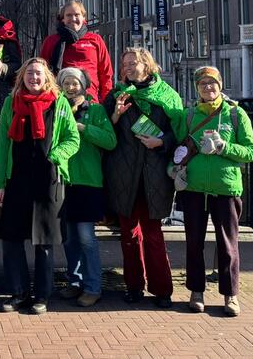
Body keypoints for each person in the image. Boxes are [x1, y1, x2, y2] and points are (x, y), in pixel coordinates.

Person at [0, 58, 80, 315]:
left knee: (43, 241)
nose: (34, 78)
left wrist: (55, 156)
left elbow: (72, 138)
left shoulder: (58, 102)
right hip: (17, 178)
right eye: (29, 73)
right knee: (11, 239)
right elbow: (2, 146)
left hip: (48, 179)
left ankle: (42, 296)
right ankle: (19, 292)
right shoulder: (12, 102)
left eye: (38, 74)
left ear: (47, 78)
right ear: (22, 77)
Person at [102, 47, 185, 309]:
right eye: (124, 63)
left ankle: (162, 289)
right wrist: (115, 113)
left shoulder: (167, 96)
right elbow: (102, 130)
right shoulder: (117, 95)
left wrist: (160, 142)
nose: (126, 67)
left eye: (132, 63)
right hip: (124, 173)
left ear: (147, 65)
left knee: (152, 233)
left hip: (154, 175)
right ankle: (134, 286)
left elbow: (180, 133)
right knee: (129, 234)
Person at [177, 66, 253, 317]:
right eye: (203, 84)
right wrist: (174, 169)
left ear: (220, 85)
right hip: (194, 188)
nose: (208, 88)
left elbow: (252, 151)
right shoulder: (189, 116)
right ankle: (196, 291)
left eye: (212, 84)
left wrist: (224, 147)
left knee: (228, 245)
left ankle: (230, 294)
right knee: (194, 243)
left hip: (226, 188)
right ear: (197, 89)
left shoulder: (236, 115)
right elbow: (179, 149)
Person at [55, 67, 115, 307]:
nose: (71, 87)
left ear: (83, 84)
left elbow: (110, 142)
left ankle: (93, 286)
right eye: (66, 83)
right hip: (65, 180)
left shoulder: (97, 110)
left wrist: (84, 129)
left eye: (75, 82)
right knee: (69, 238)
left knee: (86, 237)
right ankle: (75, 281)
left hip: (89, 182)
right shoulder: (58, 109)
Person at [40, 0, 114, 104]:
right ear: (63, 19)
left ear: (84, 18)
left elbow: (106, 73)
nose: (73, 19)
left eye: (77, 15)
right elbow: (44, 72)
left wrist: (107, 101)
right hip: (61, 99)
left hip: (90, 99)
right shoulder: (51, 41)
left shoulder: (95, 40)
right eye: (69, 15)